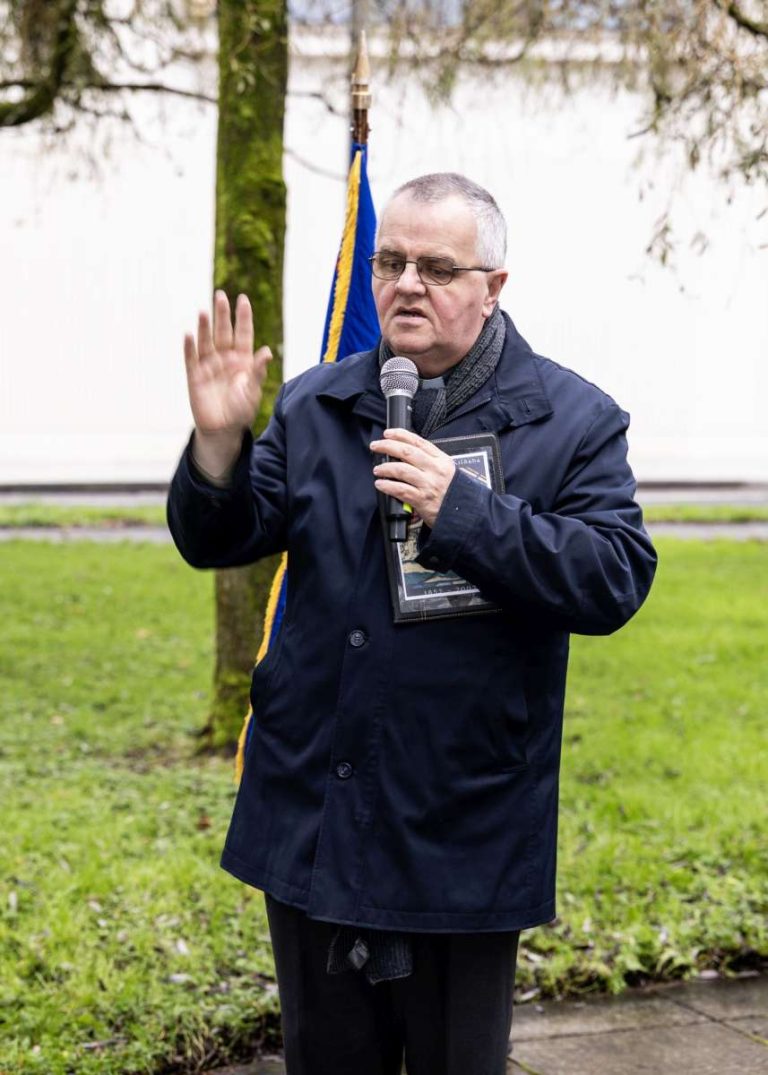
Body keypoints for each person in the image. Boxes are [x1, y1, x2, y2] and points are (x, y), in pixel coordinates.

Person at [167, 172, 657, 1075]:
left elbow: (614, 576)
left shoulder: (574, 420)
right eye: (389, 261)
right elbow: (219, 537)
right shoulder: (316, 404)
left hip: (461, 828)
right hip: (317, 814)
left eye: (436, 267)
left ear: (493, 286)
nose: (405, 284)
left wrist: (463, 510)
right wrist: (220, 444)